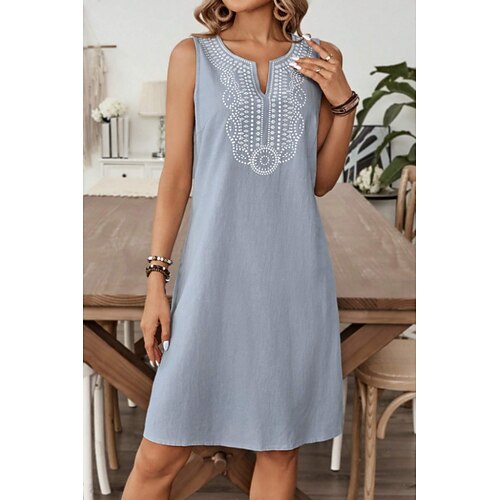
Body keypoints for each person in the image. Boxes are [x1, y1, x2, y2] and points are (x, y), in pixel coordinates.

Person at [122, 0, 357, 498]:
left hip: (292, 280)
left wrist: (344, 105)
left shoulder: (319, 57)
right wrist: (156, 281)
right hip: (211, 281)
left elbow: (319, 180)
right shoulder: (192, 57)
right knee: (159, 455)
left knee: (279, 448)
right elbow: (176, 177)